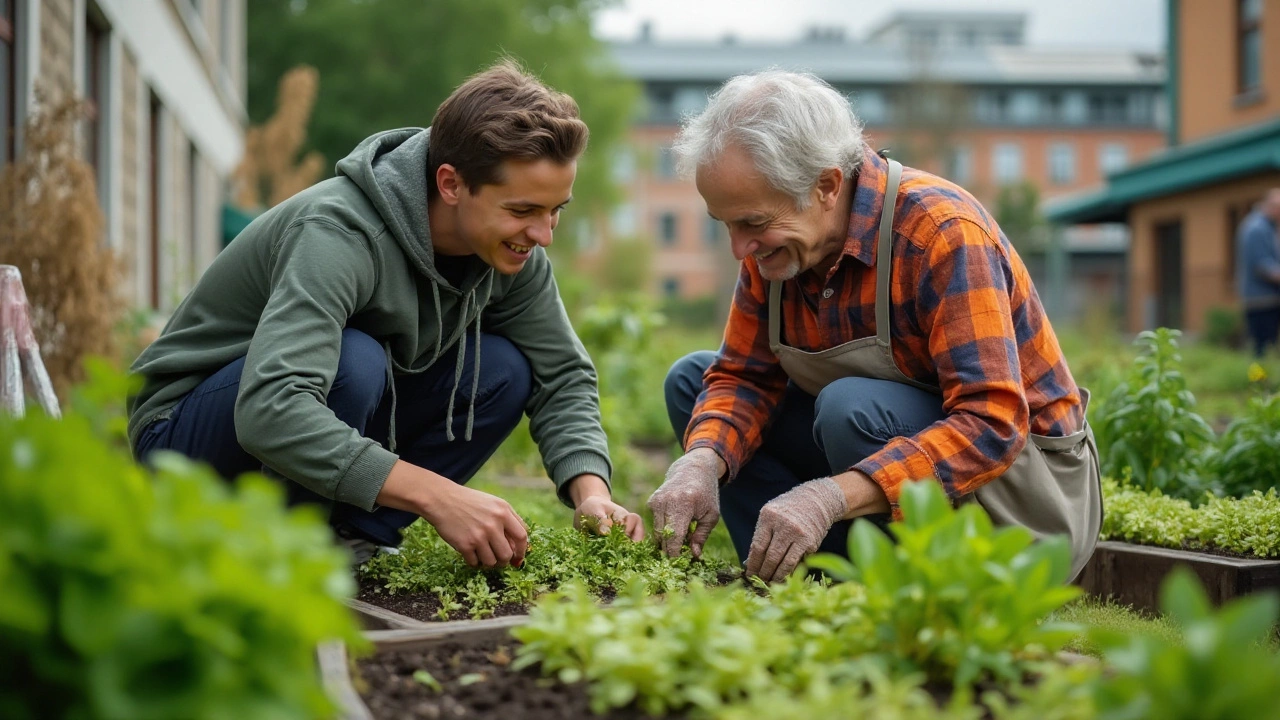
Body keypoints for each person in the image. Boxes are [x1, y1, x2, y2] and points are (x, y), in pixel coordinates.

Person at [129, 61, 644, 567]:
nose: (544, 235)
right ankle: (275, 550)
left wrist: (590, 492)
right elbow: (271, 409)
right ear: (451, 184)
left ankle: (348, 539)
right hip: (181, 440)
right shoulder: (339, 234)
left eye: (556, 210)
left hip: (284, 422)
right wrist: (436, 495)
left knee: (505, 369)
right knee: (354, 359)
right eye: (522, 210)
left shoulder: (514, 255)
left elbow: (563, 375)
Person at [647, 70, 1101, 583]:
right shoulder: (782, 244)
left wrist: (831, 495)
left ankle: (912, 589)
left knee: (851, 409)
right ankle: (795, 580)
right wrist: (702, 463)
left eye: (752, 223)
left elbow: (992, 422)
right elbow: (744, 377)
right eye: (725, 224)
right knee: (694, 385)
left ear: (826, 185)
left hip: (1019, 508)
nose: (739, 249)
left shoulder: (941, 233)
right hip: (890, 466)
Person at [1236, 189, 1280, 357]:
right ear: (1270, 206)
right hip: (1261, 300)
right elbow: (1262, 265)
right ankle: (1259, 382)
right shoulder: (1256, 229)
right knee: (1261, 347)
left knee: (1268, 346)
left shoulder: (1269, 227)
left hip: (1269, 299)